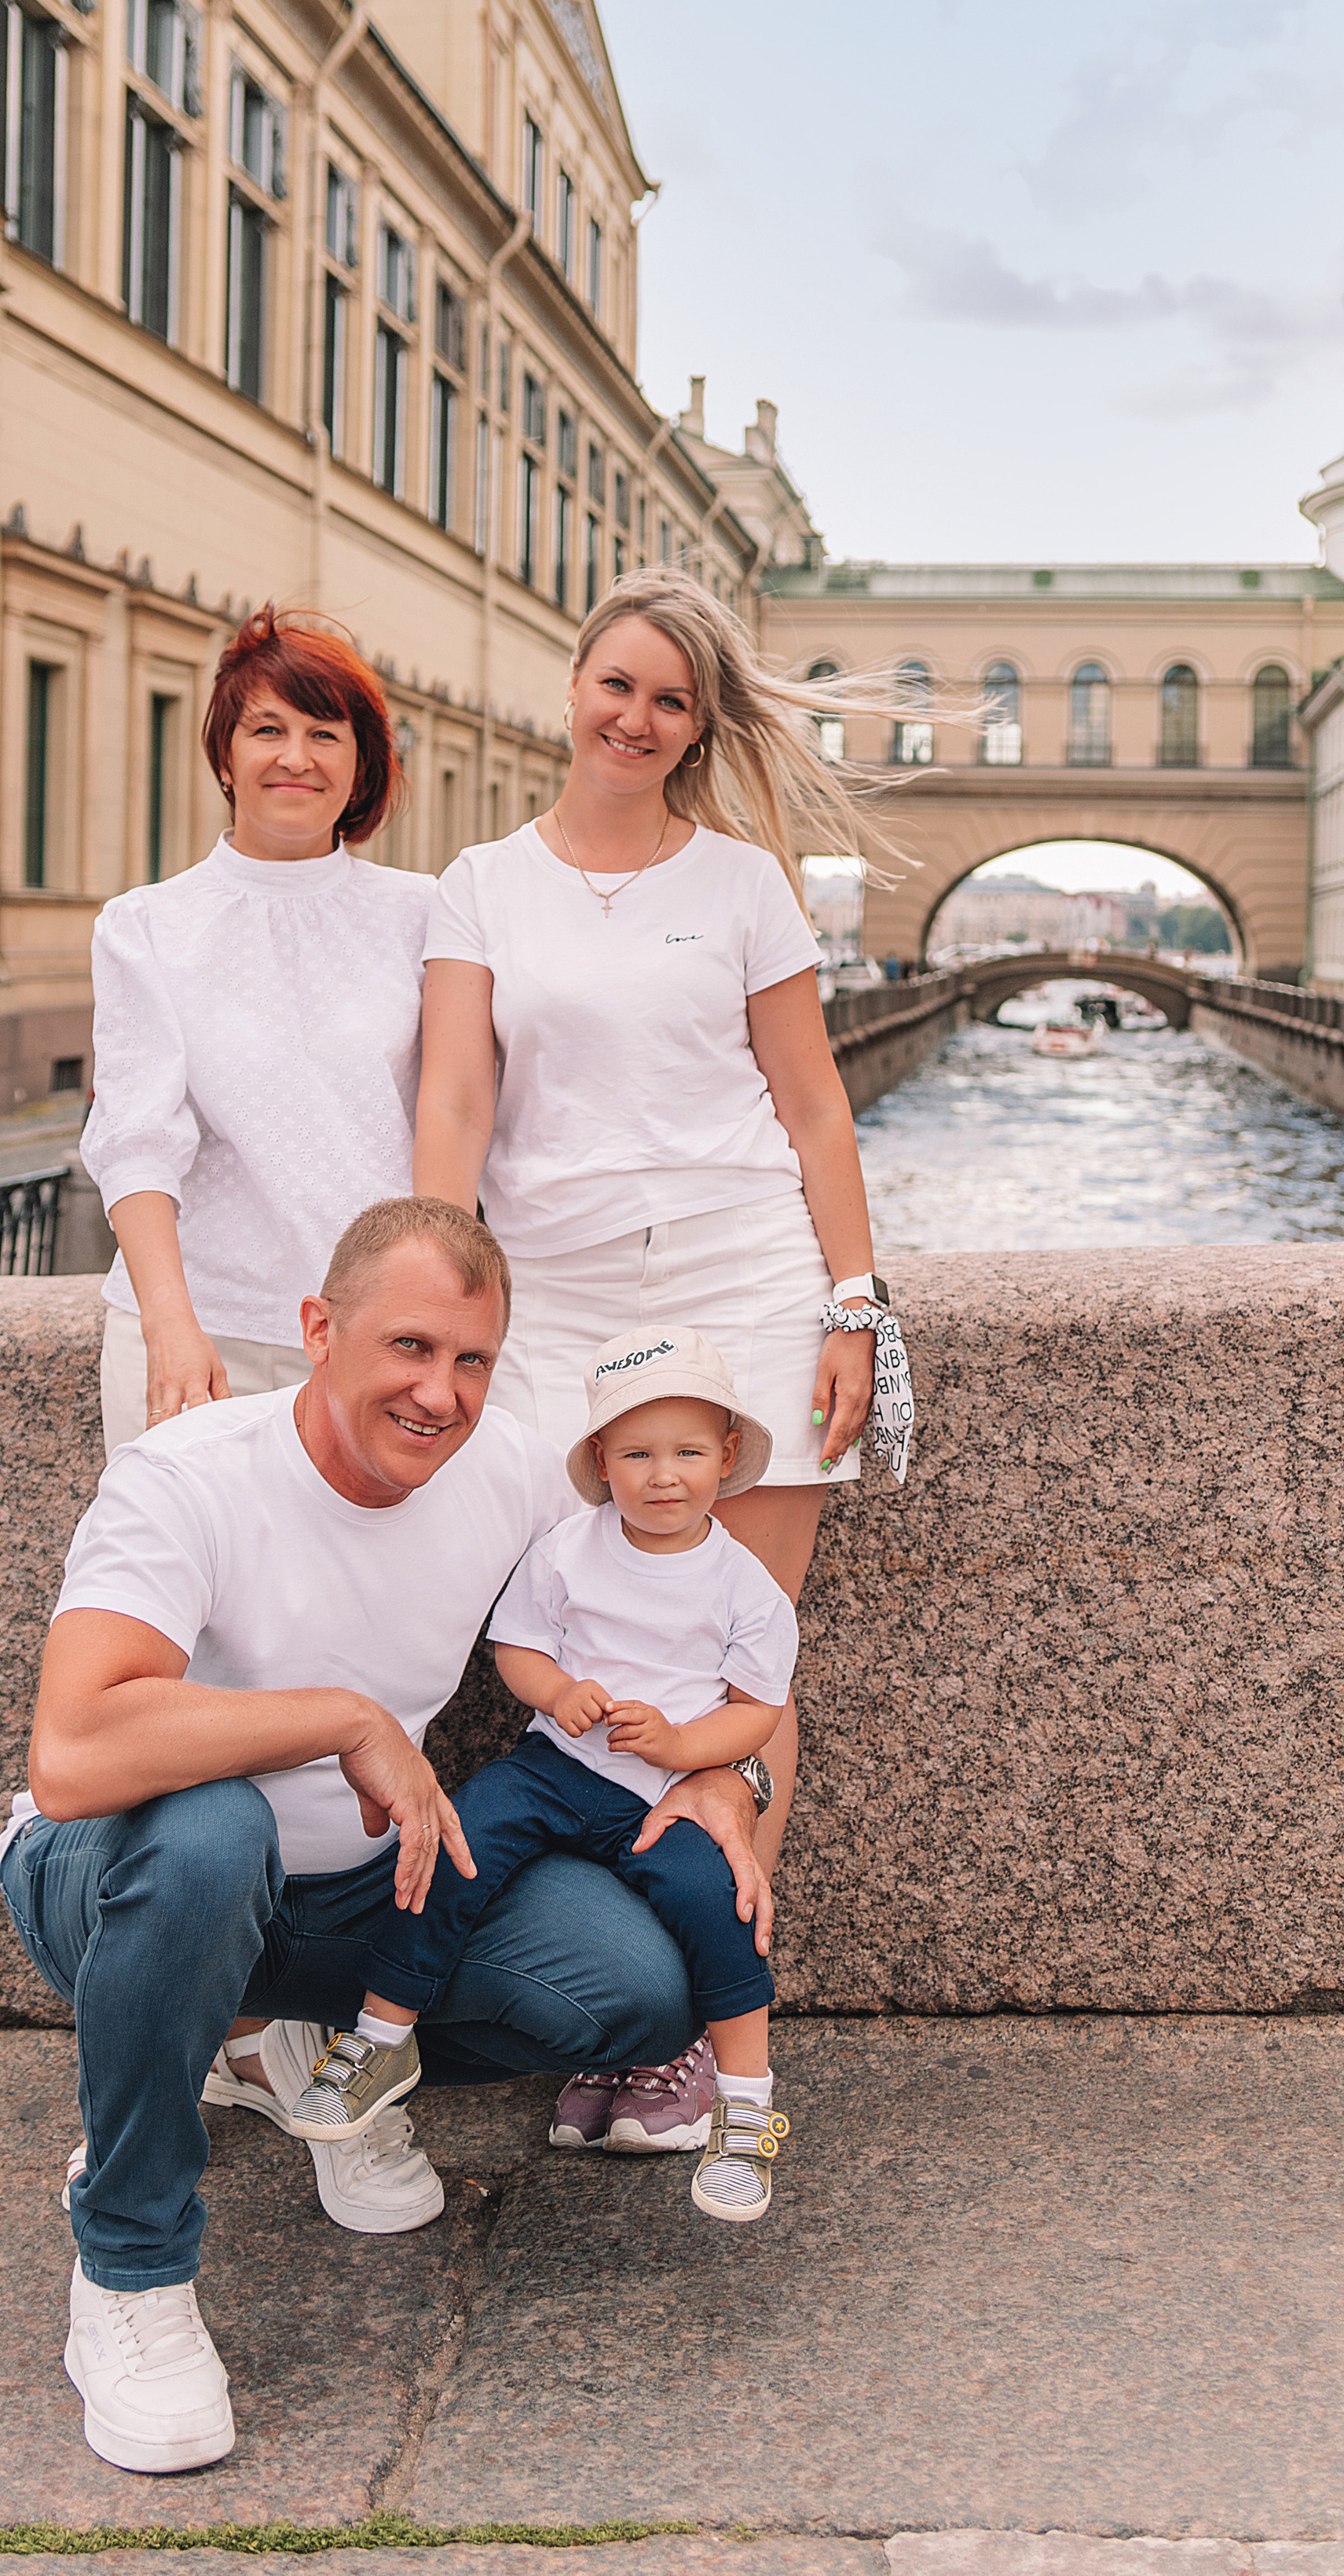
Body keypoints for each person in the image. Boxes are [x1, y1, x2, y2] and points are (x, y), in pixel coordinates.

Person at [0, 1196, 771, 2477]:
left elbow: (688, 1612)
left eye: (471, 1359)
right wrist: (342, 1720)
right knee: (209, 1832)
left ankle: (290, 2044)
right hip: (117, 1878)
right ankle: (128, 2269)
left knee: (636, 1989)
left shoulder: (514, 1472)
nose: (440, 1393)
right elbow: (74, 1753)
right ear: (318, 1330)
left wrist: (725, 1773)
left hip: (361, 1891)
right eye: (409, 1348)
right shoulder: (188, 1476)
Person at [410, 572, 897, 2159]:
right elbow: (459, 1111)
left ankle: (693, 2030)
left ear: (697, 727)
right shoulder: (477, 886)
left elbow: (813, 1107)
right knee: (514, 1619)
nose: (634, 719)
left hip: (742, 1274)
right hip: (551, 1298)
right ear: (573, 685)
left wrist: (850, 1307)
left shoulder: (747, 882)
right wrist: (428, 1287)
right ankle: (592, 1985)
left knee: (740, 1663)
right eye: (614, 685)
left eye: (668, 701)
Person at [294, 1324, 797, 2223]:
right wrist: (557, 1690)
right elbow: (517, 1644)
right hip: (555, 1766)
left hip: (660, 1794)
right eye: (638, 1453)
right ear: (601, 1460)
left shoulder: (742, 1583)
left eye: (687, 1452)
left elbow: (757, 1707)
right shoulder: (571, 1548)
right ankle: (379, 2035)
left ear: (725, 1457)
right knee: (454, 1838)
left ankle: (746, 2107)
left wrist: (686, 1749)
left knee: (725, 1901)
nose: (664, 1475)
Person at [80, 606, 430, 1452]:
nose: (294, 757)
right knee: (179, 1581)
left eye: (325, 732)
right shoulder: (148, 925)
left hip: (372, 1339)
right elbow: (135, 1138)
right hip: (202, 1334)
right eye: (265, 729)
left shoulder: (423, 915)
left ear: (362, 765)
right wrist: (171, 1328)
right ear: (226, 757)